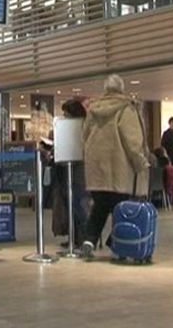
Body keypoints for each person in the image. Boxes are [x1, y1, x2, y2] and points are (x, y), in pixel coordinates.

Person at [81, 74, 150, 259]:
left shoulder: (93, 110)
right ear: (121, 88)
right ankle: (118, 243)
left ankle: (88, 240)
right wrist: (140, 162)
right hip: (120, 169)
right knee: (123, 210)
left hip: (96, 170)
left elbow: (85, 136)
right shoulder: (126, 109)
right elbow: (132, 140)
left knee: (99, 208)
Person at [55, 99, 90, 249]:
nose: (64, 116)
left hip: (79, 172)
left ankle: (83, 239)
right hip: (69, 170)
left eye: (67, 113)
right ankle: (75, 238)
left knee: (79, 206)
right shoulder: (73, 128)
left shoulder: (83, 128)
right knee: (71, 205)